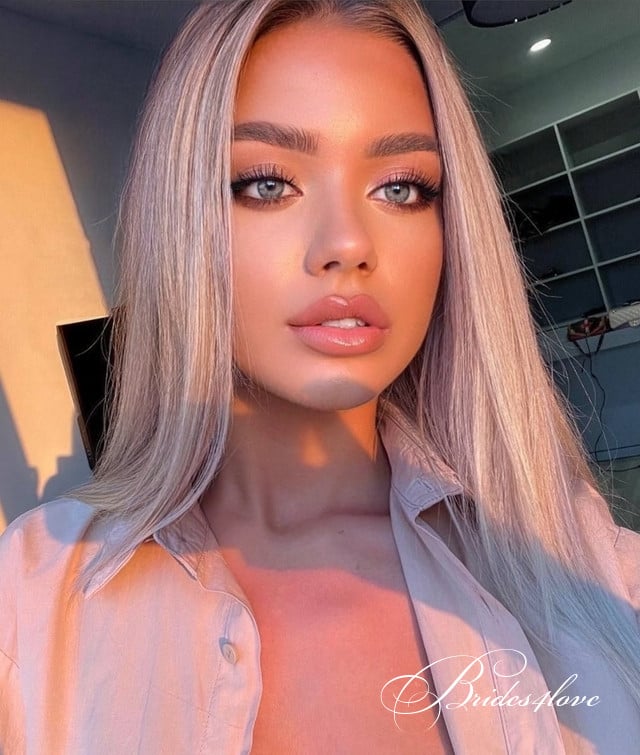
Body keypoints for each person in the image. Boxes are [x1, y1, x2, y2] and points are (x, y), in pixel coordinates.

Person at [1, 1, 639, 752]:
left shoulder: (587, 568)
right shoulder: (30, 600)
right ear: (179, 219)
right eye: (267, 183)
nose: (348, 243)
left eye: (401, 187)